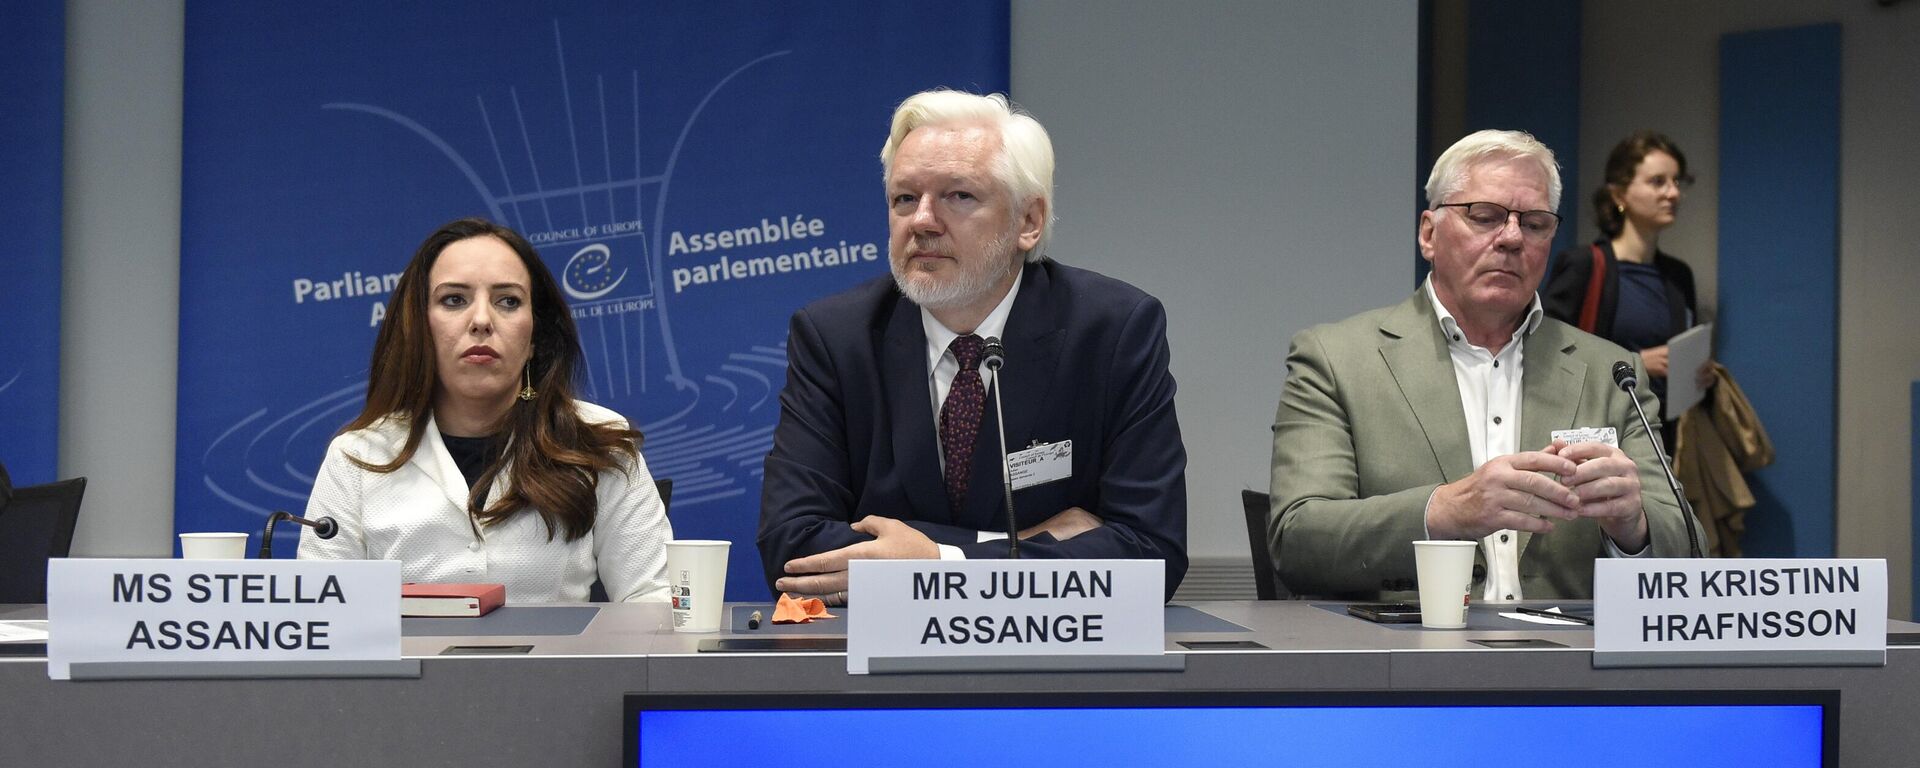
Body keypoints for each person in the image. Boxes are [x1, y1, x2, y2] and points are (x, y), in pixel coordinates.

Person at [757, 89, 1188, 603]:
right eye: (904, 198)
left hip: (1056, 665)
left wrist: (937, 561)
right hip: (877, 671)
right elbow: (793, 549)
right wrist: (1009, 549)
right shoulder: (836, 337)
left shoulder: (1113, 331)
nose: (922, 220)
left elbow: (1151, 553)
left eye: (958, 196)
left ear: (1027, 222)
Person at [1268, 129, 1701, 601]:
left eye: (1535, 223)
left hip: (1567, 667)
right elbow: (1298, 539)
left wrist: (1633, 524)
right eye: (1485, 216)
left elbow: (1690, 551)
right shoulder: (1336, 360)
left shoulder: (1612, 373)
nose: (1512, 237)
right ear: (1429, 234)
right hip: (1405, 661)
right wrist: (1444, 511)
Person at [299, 217, 672, 602]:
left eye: (508, 301)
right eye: (454, 300)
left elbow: (653, 602)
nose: (481, 321)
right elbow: (320, 619)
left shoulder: (596, 441)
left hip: (556, 665)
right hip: (406, 666)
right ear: (420, 328)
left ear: (534, 338)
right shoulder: (357, 457)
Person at [1542, 131, 1709, 442]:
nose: (1673, 193)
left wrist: (1696, 375)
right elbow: (1547, 356)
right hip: (1598, 436)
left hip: (1664, 437)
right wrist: (1638, 364)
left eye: (1678, 182)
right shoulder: (1583, 265)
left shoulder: (1678, 275)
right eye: (1658, 181)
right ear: (1619, 195)